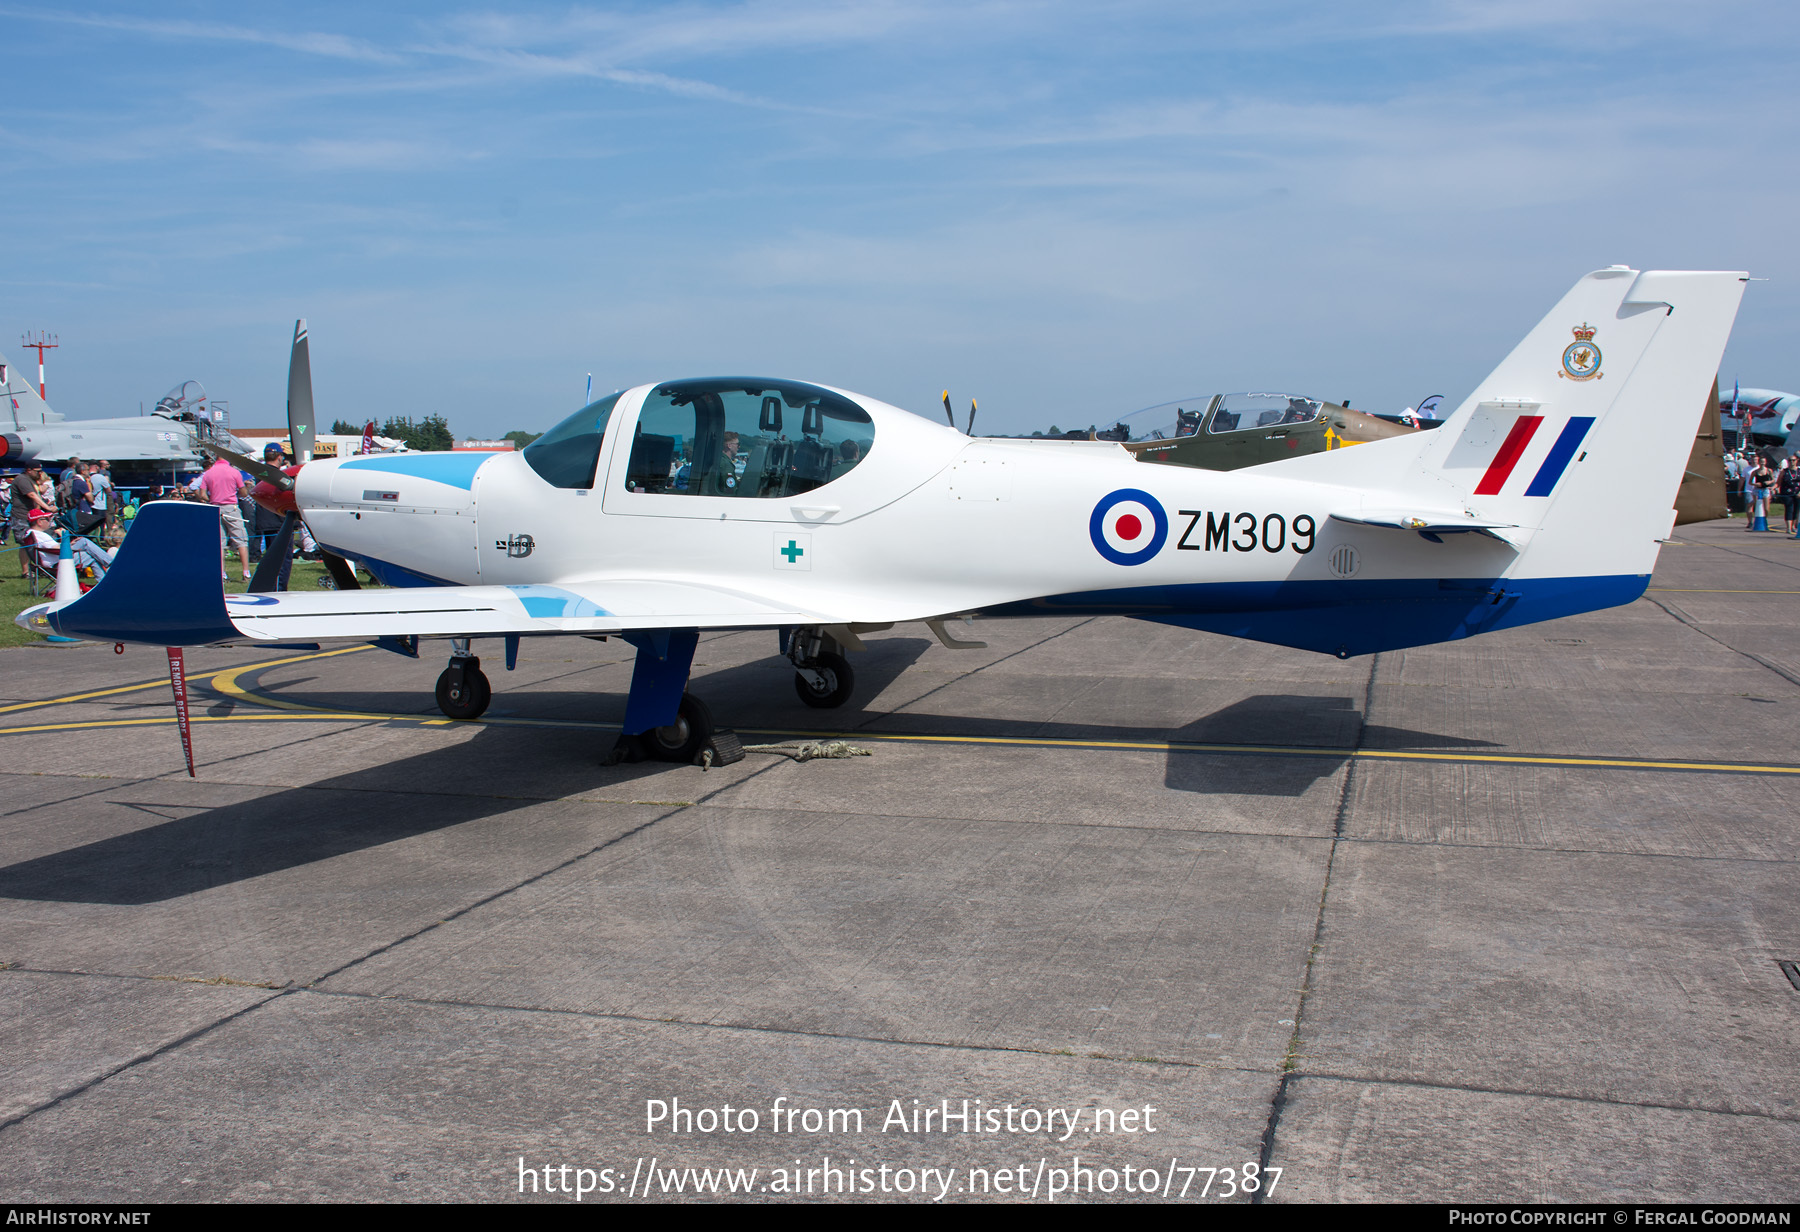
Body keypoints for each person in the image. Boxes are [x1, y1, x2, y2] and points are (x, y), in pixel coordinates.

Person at [197, 454, 252, 580]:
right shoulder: (234, 472)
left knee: (220, 543)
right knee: (241, 540)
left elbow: (202, 494)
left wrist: (212, 499)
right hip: (231, 507)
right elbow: (243, 493)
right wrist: (245, 488)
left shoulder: (208, 473)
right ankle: (246, 572)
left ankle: (222, 574)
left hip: (215, 508)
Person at [20, 507, 113, 579]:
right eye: (47, 519)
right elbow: (57, 549)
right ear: (39, 522)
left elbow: (53, 548)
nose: (49, 521)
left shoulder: (30, 533)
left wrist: (71, 543)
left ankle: (103, 580)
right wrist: (64, 537)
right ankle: (112, 563)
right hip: (58, 563)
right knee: (84, 541)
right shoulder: (40, 535)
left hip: (53, 562)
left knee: (89, 555)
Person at [9, 463, 54, 576]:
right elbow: (32, 495)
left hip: (31, 516)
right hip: (22, 516)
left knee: (35, 542)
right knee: (25, 543)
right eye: (37, 471)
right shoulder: (22, 479)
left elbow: (38, 493)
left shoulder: (30, 480)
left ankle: (40, 568)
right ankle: (26, 572)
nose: (40, 473)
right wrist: (47, 508)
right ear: (29, 470)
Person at [1749, 454, 1776, 531]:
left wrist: (1769, 482)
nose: (1762, 463)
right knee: (1756, 506)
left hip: (1765, 489)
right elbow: (1750, 482)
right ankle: (1757, 519)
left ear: (1765, 462)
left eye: (1763, 462)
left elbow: (1773, 480)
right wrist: (1755, 484)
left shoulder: (1769, 470)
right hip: (1757, 489)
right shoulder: (1755, 472)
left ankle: (1765, 519)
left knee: (1766, 508)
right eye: (1761, 462)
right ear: (1759, 462)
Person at [1780, 455, 1800, 538]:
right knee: (1789, 508)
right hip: (1787, 492)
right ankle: (1788, 527)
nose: (1792, 462)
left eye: (1793, 460)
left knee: (1796, 509)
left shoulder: (1799, 471)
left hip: (1797, 492)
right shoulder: (1784, 471)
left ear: (1797, 461)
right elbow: (1779, 481)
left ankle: (1793, 526)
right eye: (1790, 460)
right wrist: (1775, 488)